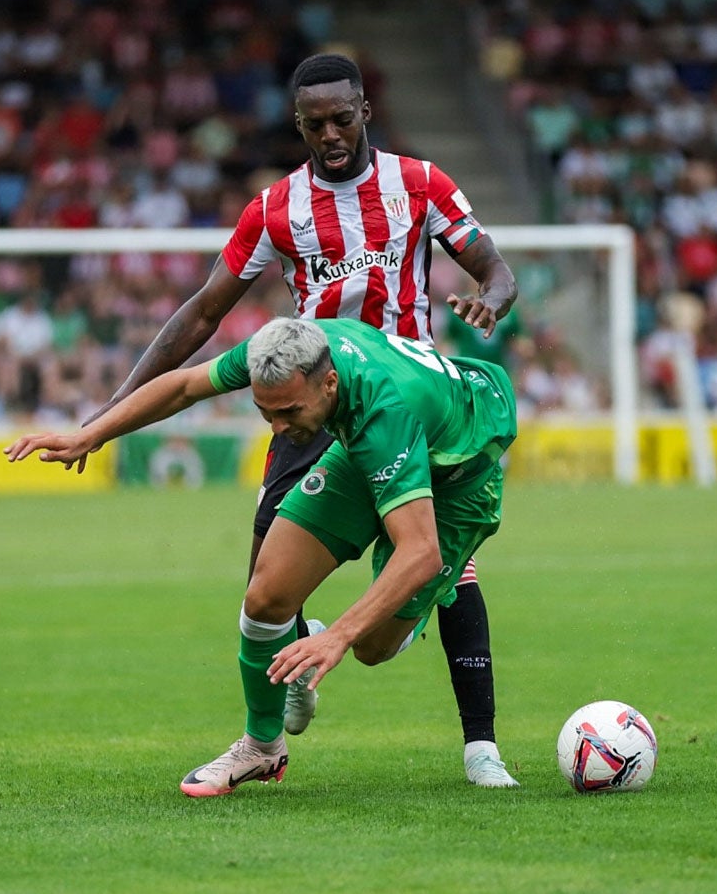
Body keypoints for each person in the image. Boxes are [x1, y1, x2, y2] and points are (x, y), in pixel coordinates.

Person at [79, 53, 522, 787]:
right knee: (265, 587)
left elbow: (494, 267)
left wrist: (492, 298)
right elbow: (201, 314)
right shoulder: (274, 208)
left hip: (399, 402)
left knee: (447, 566)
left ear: (364, 112)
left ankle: (480, 745)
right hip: (306, 405)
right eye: (313, 124)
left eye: (341, 119)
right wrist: (108, 411)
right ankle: (271, 732)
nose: (330, 135)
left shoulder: (420, 183)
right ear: (298, 125)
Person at [7, 317, 517, 796]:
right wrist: (90, 434)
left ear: (329, 386)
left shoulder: (385, 409)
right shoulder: (279, 349)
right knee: (267, 595)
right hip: (364, 443)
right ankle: (261, 748)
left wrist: (337, 635)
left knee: (373, 646)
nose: (276, 427)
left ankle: (334, 642)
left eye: (289, 412)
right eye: (264, 411)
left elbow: (421, 551)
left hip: (461, 466)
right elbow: (184, 385)